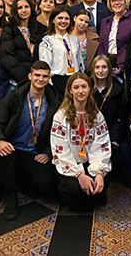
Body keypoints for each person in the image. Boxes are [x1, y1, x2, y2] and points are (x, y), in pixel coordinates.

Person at [0, 61, 60, 219]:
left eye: (44, 76)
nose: (40, 79)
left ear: (49, 78)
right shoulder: (13, 98)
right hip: (12, 149)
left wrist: (48, 153)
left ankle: (16, 180)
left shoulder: (54, 102)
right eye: (37, 75)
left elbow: (60, 133)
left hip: (34, 152)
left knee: (46, 185)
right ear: (30, 76)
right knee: (4, 157)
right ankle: (9, 196)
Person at [50, 73, 112, 208]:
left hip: (90, 161)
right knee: (74, 191)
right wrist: (79, 174)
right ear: (70, 90)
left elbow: (102, 144)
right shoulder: (60, 116)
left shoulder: (97, 115)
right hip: (69, 164)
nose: (80, 91)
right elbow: (60, 149)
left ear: (89, 89)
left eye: (84, 86)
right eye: (76, 87)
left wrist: (99, 172)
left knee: (99, 185)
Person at [90, 55, 131, 190]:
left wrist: (114, 137)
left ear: (109, 69)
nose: (100, 71)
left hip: (111, 129)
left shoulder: (118, 89)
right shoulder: (87, 87)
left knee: (125, 152)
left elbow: (121, 117)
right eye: (97, 67)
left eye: (104, 67)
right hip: (90, 130)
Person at [39, 6, 85, 99]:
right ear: (53, 20)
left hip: (74, 80)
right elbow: (45, 65)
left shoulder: (74, 39)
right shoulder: (47, 41)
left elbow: (79, 62)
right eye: (60, 18)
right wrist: (49, 86)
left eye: (66, 19)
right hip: (57, 81)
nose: (63, 21)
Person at [0, 0, 43, 86]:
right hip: (18, 81)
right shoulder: (9, 29)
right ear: (15, 11)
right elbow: (7, 58)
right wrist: (25, 80)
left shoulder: (40, 28)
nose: (24, 10)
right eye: (20, 8)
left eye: (26, 7)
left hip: (40, 79)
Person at [97, 0, 131, 76]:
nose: (116, 3)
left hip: (127, 65)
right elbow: (101, 44)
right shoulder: (106, 21)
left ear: (125, 1)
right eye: (113, 0)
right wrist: (103, 63)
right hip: (107, 64)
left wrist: (122, 66)